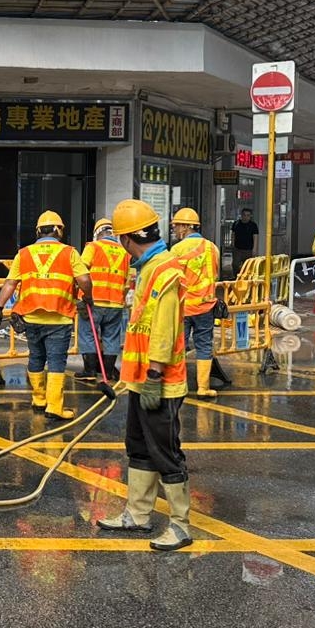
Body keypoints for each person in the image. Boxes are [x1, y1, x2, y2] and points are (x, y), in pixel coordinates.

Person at [98, 199, 192, 551]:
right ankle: (137, 515)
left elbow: (165, 328)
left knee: (166, 451)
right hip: (141, 380)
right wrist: (129, 377)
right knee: (138, 447)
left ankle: (181, 526)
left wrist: (153, 373)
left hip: (161, 383)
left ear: (125, 240)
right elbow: (143, 325)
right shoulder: (148, 268)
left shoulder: (164, 269)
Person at [0, 211, 92, 420]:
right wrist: (88, 297)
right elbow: (84, 280)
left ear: (38, 231)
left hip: (31, 317)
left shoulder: (24, 253)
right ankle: (54, 407)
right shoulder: (69, 253)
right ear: (58, 230)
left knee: (36, 357)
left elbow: (10, 283)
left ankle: (39, 400)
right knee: (56, 361)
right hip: (59, 317)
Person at [169, 207, 222, 399]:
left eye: (176, 226)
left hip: (183, 308)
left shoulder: (176, 249)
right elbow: (215, 274)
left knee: (178, 346)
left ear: (185, 227)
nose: (174, 230)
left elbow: (171, 278)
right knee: (204, 345)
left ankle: (177, 385)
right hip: (205, 307)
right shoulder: (212, 247)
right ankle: (203, 387)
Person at [78, 218, 129, 382]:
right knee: (112, 337)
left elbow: (81, 271)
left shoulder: (93, 247)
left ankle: (90, 371)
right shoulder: (125, 253)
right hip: (116, 303)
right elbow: (128, 281)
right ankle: (108, 371)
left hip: (94, 301)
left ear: (97, 233)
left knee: (88, 334)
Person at [230, 207, 259, 276]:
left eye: (248, 215)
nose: (246, 217)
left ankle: (246, 279)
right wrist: (233, 244)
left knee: (248, 266)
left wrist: (254, 249)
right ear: (241, 215)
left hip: (248, 249)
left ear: (250, 216)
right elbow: (233, 234)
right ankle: (236, 277)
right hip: (238, 249)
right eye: (244, 215)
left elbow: (255, 237)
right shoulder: (236, 224)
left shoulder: (253, 225)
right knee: (235, 264)